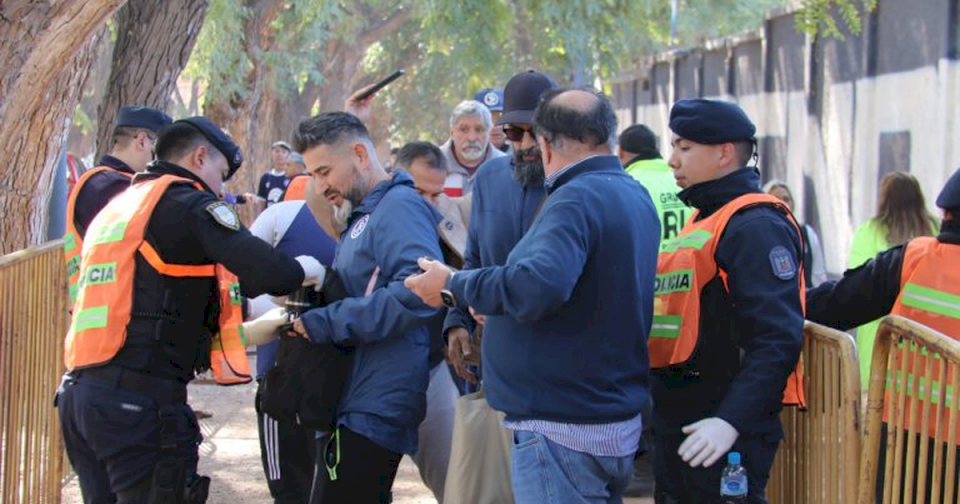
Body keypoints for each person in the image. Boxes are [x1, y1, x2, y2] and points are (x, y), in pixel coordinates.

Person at [406, 87, 660, 504]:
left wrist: (452, 284)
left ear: (545, 143)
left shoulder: (575, 199)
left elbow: (535, 286)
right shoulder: (630, 192)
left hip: (564, 430)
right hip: (604, 419)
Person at [56, 116, 327, 503]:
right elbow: (267, 271)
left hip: (81, 397)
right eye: (222, 173)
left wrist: (259, 321)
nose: (221, 186)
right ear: (201, 157)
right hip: (139, 402)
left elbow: (160, 300)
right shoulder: (187, 201)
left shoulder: (126, 205)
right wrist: (307, 270)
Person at [650, 99, 805, 504]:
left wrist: (729, 420)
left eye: (683, 148)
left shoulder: (754, 226)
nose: (671, 160)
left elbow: (776, 338)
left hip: (723, 430)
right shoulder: (703, 218)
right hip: (682, 423)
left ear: (723, 153)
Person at [286, 109, 443, 504]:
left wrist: (327, 322)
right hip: (353, 395)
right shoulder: (366, 212)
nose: (320, 186)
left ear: (359, 153)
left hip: (378, 401)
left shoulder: (400, 207)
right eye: (313, 175)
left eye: (324, 171)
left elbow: (417, 293)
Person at [805, 167, 960, 503]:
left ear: (946, 213)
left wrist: (770, 301)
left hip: (903, 438)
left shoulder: (915, 257)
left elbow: (837, 302)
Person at [441, 70, 555, 391]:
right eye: (515, 133)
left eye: (536, 131)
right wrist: (457, 321)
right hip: (495, 361)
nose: (527, 144)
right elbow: (475, 258)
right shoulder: (490, 177)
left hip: (553, 364)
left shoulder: (572, 184)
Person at [247, 176, 339, 504]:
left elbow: (240, 285)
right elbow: (241, 284)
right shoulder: (283, 216)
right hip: (290, 375)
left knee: (297, 487)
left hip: (306, 377)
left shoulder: (356, 220)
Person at [391, 140, 464, 502]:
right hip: (378, 373)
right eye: (418, 191)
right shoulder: (365, 220)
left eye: (436, 194)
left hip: (434, 370)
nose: (428, 203)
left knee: (454, 484)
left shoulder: (451, 229)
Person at [64, 105, 172, 303]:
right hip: (111, 319)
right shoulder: (114, 187)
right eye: (166, 151)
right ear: (142, 141)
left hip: (96, 313)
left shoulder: (97, 182)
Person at [847, 171, 939, 387]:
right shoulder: (936, 230)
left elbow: (856, 279)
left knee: (877, 405)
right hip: (928, 335)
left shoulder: (870, 232)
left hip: (878, 334)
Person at [620, 123, 692, 245]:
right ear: (655, 148)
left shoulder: (626, 184)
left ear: (620, 152)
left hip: (651, 263)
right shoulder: (681, 179)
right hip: (686, 261)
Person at [763, 180, 828, 287]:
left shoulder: (806, 234)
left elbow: (819, 278)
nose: (783, 203)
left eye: (786, 199)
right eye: (775, 199)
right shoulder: (757, 235)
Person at [440, 99, 506, 197]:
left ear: (488, 132)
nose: (472, 138)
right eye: (463, 130)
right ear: (452, 132)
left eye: (479, 130)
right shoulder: (432, 163)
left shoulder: (506, 167)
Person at [254, 140, 294, 210]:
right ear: (272, 154)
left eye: (283, 152)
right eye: (277, 151)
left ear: (288, 156)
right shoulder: (265, 178)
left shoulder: (291, 177)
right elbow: (261, 203)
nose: (279, 154)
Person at [475, 88, 508, 152]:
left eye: (500, 118)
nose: (495, 126)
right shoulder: (465, 158)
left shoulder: (521, 155)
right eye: (488, 119)